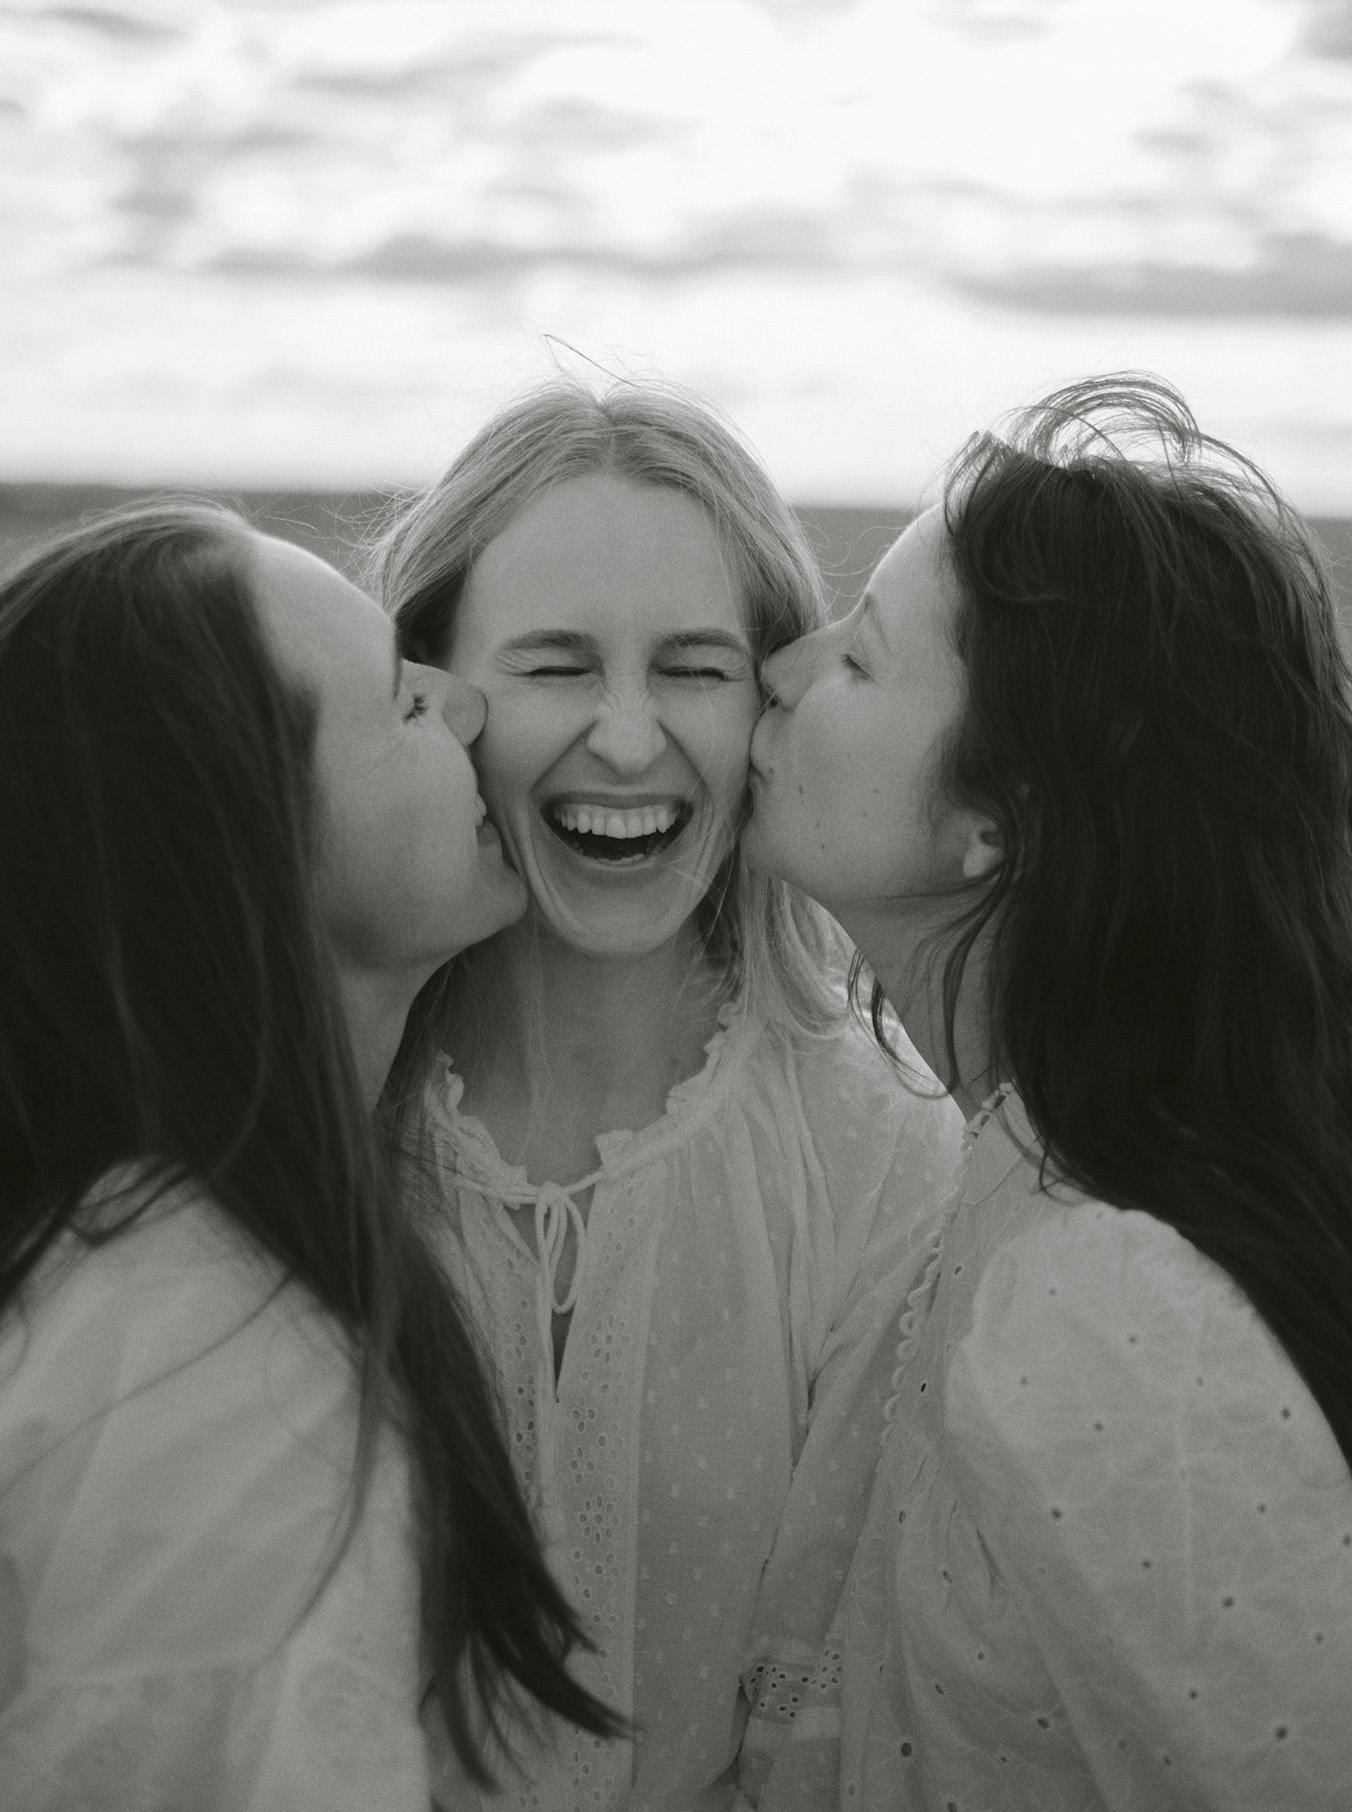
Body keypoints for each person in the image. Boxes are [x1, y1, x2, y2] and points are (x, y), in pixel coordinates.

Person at [743, 373, 1352, 1809]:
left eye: (862, 660)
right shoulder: (1032, 1181)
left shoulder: (1112, 1295)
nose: (783, 665)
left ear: (994, 827)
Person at [372, 380, 966, 1810]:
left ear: (769, 705)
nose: (629, 742)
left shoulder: (880, 1149)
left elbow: (836, 1702)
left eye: (694, 669)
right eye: (558, 666)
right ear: (435, 689)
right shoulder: (318, 1111)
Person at [0, 503, 618, 1810]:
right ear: (253, 848)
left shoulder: (163, 1253)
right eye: (400, 700)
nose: (468, 710)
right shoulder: (209, 1363)